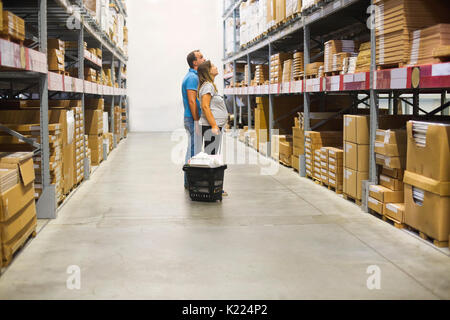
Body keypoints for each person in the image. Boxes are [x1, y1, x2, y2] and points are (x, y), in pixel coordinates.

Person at [197, 60, 229, 197]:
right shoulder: (208, 86)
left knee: (213, 156)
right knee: (212, 157)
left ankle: (213, 187)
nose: (216, 67)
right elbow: (205, 106)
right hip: (211, 127)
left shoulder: (209, 86)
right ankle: (213, 188)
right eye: (213, 66)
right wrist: (215, 125)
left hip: (213, 127)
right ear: (208, 71)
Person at [182, 50, 205, 188]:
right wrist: (197, 121)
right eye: (201, 57)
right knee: (192, 151)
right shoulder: (192, 78)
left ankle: (190, 181)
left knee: (194, 150)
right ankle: (189, 182)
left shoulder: (195, 76)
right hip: (192, 119)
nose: (204, 59)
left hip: (192, 118)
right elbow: (192, 101)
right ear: (195, 62)